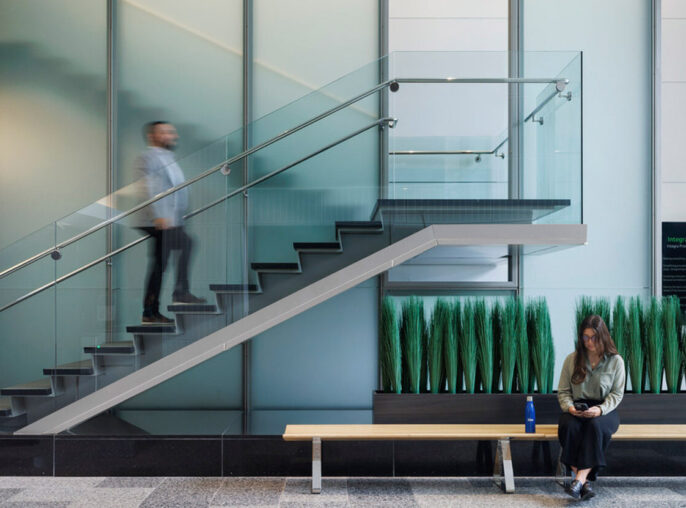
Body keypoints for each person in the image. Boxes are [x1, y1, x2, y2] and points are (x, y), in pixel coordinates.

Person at [135, 121, 206, 324]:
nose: (169, 135)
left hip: (171, 221)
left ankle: (150, 311)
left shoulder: (170, 159)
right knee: (186, 244)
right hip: (157, 220)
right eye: (163, 132)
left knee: (160, 264)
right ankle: (180, 293)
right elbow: (145, 188)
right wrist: (157, 215)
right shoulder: (147, 157)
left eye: (171, 132)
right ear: (152, 136)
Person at [557, 314, 625, 500]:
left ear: (602, 336)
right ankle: (583, 483)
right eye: (585, 337)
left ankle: (578, 479)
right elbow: (563, 392)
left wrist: (600, 410)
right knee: (568, 426)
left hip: (605, 410)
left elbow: (617, 394)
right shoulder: (572, 360)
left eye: (593, 337)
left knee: (595, 427)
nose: (589, 342)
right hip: (577, 408)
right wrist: (570, 408)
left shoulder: (615, 361)